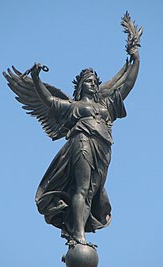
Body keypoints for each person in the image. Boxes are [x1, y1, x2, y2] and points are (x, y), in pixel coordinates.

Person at [30, 49, 140, 245]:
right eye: (89, 81)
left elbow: (128, 85)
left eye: (95, 82)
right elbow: (48, 100)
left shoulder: (105, 106)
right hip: (82, 142)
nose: (93, 84)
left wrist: (136, 59)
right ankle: (79, 235)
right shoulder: (73, 106)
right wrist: (36, 78)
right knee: (82, 188)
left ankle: (75, 229)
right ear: (81, 86)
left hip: (103, 149)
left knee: (91, 192)